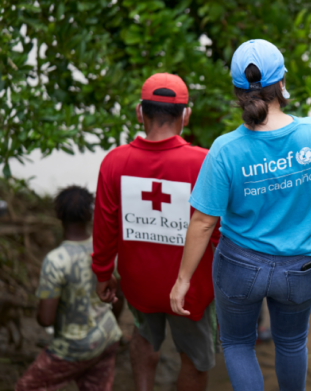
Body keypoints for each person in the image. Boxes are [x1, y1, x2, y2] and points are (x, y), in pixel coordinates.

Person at [168, 39, 311, 391]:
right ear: (282, 83)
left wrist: (183, 278)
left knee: (237, 344)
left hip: (239, 267)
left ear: (236, 90)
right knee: (292, 343)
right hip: (300, 265)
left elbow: (203, 222)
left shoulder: (225, 149)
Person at [91, 73, 220, 391]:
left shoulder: (114, 162)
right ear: (186, 114)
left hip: (138, 284)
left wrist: (103, 274)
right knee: (194, 358)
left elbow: (104, 228)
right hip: (191, 289)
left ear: (139, 112)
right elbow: (217, 232)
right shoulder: (205, 163)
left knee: (144, 337)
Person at [16, 186, 122, 391]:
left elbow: (46, 319)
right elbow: (119, 295)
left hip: (74, 346)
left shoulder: (55, 261)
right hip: (108, 336)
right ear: (91, 213)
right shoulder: (107, 249)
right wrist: (110, 324)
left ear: (58, 215)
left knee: (26, 387)